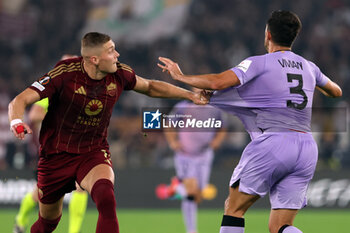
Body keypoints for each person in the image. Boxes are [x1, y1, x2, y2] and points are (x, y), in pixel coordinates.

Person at [158, 10, 342, 233]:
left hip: (274, 142)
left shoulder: (259, 63)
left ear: (268, 35)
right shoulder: (310, 67)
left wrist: (181, 76)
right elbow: (336, 91)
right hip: (306, 147)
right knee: (280, 226)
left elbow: (218, 82)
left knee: (234, 209)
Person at [8, 32, 208, 233]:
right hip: (56, 156)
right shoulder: (63, 74)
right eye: (111, 51)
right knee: (48, 223)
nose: (117, 55)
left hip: (92, 152)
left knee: (105, 197)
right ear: (94, 59)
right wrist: (16, 122)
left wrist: (190, 95)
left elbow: (150, 86)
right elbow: (19, 101)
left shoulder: (119, 74)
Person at [13, 98, 88, 233]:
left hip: (71, 152)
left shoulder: (78, 95)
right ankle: (20, 220)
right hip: (49, 154)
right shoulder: (52, 93)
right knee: (40, 194)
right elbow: (34, 116)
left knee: (80, 187)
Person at [163, 95, 226, 233]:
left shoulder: (214, 109)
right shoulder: (182, 107)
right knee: (189, 194)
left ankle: (176, 188)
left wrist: (217, 142)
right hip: (185, 155)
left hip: (204, 155)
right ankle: (191, 230)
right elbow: (168, 123)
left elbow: (222, 128)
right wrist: (173, 142)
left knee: (199, 193)